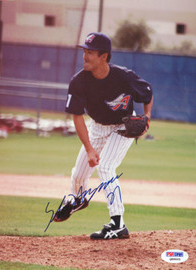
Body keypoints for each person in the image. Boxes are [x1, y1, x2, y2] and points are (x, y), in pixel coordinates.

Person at [55, 32, 153, 240]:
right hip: (97, 127)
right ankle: (79, 199)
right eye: (84, 51)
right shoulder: (79, 81)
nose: (85, 56)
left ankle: (118, 224)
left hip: (123, 126)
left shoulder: (124, 76)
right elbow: (77, 117)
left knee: (106, 167)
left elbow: (147, 92)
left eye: (90, 52)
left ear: (104, 56)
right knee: (79, 175)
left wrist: (147, 117)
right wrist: (90, 149)